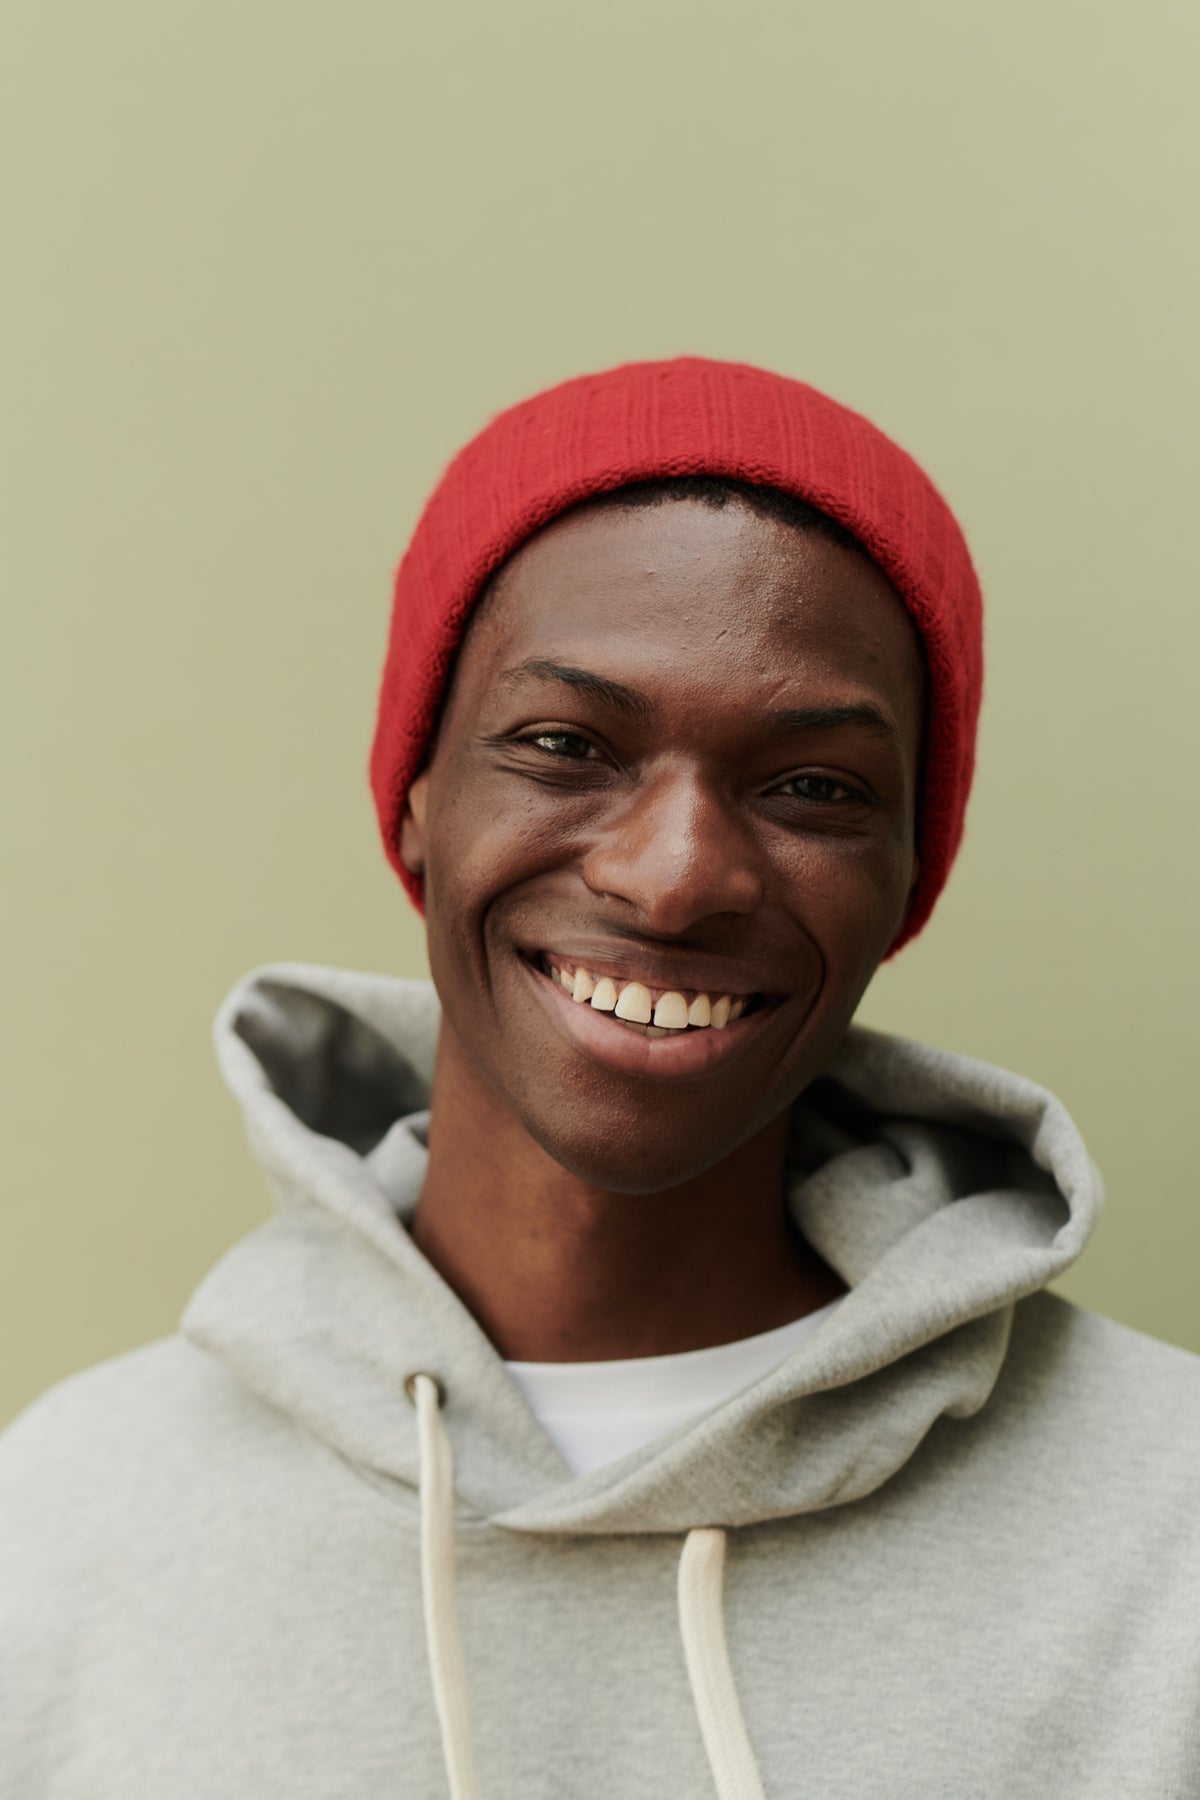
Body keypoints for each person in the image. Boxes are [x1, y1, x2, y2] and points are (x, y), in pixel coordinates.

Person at [2, 356, 1197, 1799]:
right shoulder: (67, 1521)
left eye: (812, 786)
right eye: (566, 746)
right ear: (415, 803)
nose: (676, 874)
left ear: (907, 881)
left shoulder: (1169, 1521)